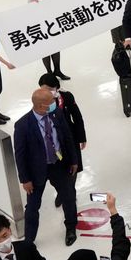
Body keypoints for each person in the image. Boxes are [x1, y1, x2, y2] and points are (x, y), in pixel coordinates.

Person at [13, 87, 80, 245]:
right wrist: (25, 179)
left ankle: (71, 228)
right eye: (51, 102)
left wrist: (74, 160)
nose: (54, 103)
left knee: (68, 198)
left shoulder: (57, 114)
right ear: (41, 106)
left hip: (59, 164)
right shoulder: (23, 125)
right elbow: (20, 155)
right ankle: (29, 240)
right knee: (32, 207)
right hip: (36, 171)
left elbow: (67, 137)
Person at [38, 73, 85, 210]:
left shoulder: (67, 97)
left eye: (49, 89)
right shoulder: (40, 100)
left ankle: (70, 191)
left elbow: (77, 117)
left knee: (73, 166)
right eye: (43, 89)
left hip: (70, 139)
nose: (46, 92)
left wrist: (82, 137)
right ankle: (62, 190)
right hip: (53, 143)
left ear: (56, 88)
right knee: (59, 167)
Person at [26, 0, 74, 80]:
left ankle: (57, 70)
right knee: (46, 49)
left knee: (56, 46)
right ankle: (49, 73)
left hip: (53, 20)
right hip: (41, 22)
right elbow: (30, 7)